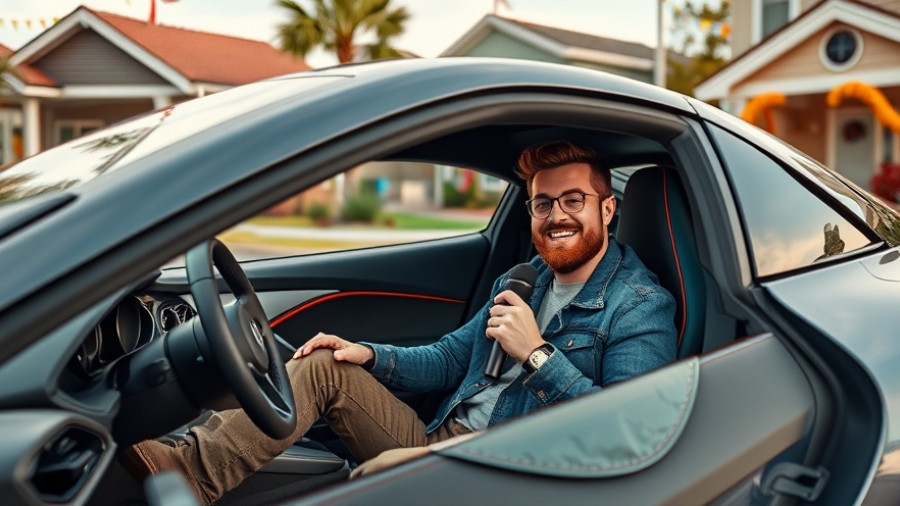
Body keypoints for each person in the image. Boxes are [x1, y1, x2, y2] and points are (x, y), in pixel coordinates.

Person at [125, 140, 677, 504]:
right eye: (542, 203)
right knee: (323, 364)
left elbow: (626, 437)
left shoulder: (639, 305)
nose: (555, 216)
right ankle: (189, 474)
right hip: (445, 434)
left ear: (608, 209)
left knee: (374, 479)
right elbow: (449, 358)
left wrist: (537, 356)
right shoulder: (526, 276)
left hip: (512, 467)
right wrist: (368, 354)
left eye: (573, 200)